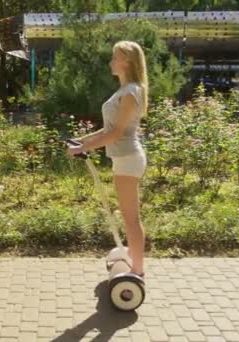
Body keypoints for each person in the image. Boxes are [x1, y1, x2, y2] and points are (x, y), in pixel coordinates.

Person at [67, 40, 148, 278]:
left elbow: (116, 134)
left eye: (116, 57)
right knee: (128, 216)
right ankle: (133, 261)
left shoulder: (132, 92)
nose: (111, 61)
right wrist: (81, 141)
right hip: (123, 158)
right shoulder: (124, 91)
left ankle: (138, 271)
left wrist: (84, 147)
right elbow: (106, 130)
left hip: (128, 158)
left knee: (131, 218)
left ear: (128, 61)